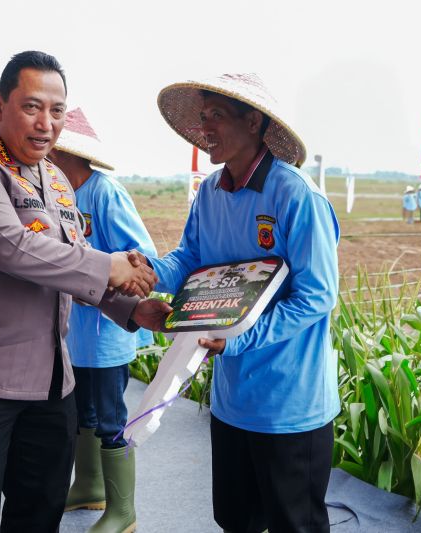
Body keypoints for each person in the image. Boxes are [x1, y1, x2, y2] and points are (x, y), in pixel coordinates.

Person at [0, 50, 167, 533]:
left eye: (56, 111)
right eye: (31, 107)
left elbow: (68, 267)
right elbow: (12, 250)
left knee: (39, 512)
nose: (45, 123)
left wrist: (133, 309)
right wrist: (111, 265)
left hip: (53, 382)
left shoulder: (57, 180)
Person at [134, 73, 339, 533]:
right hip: (232, 400)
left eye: (217, 116)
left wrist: (242, 337)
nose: (205, 127)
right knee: (236, 519)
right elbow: (190, 258)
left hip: (289, 403)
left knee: (295, 523)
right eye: (203, 117)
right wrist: (145, 270)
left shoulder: (295, 196)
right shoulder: (209, 192)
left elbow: (318, 296)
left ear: (253, 123)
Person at [47, 108, 157, 533]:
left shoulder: (105, 193)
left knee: (111, 417)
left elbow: (140, 255)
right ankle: (89, 485)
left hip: (107, 333)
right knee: (80, 414)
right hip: (71, 332)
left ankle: (122, 511)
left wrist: (124, 273)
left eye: (53, 150)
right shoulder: (57, 194)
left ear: (69, 153)